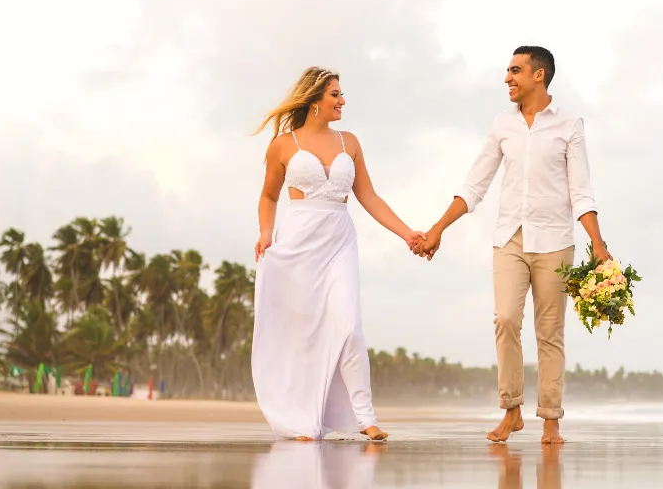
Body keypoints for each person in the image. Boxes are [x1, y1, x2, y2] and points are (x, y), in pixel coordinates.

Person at [413, 46, 611, 445]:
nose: (507, 77)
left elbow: (581, 191)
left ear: (539, 75)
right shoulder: (502, 125)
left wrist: (599, 246)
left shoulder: (569, 125)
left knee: (550, 331)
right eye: (507, 70)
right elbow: (475, 184)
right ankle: (512, 410)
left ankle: (551, 420)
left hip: (555, 241)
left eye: (515, 70)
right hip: (510, 238)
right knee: (505, 319)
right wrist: (438, 229)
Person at [251, 66, 425, 441]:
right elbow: (268, 196)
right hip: (297, 243)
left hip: (339, 241)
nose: (342, 100)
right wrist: (266, 233)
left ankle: (366, 417)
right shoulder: (283, 145)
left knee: (348, 327)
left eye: (341, 94)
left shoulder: (350, 142)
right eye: (335, 94)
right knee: (303, 334)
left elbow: (369, 197)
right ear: (315, 99)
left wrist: (407, 233)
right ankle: (301, 419)